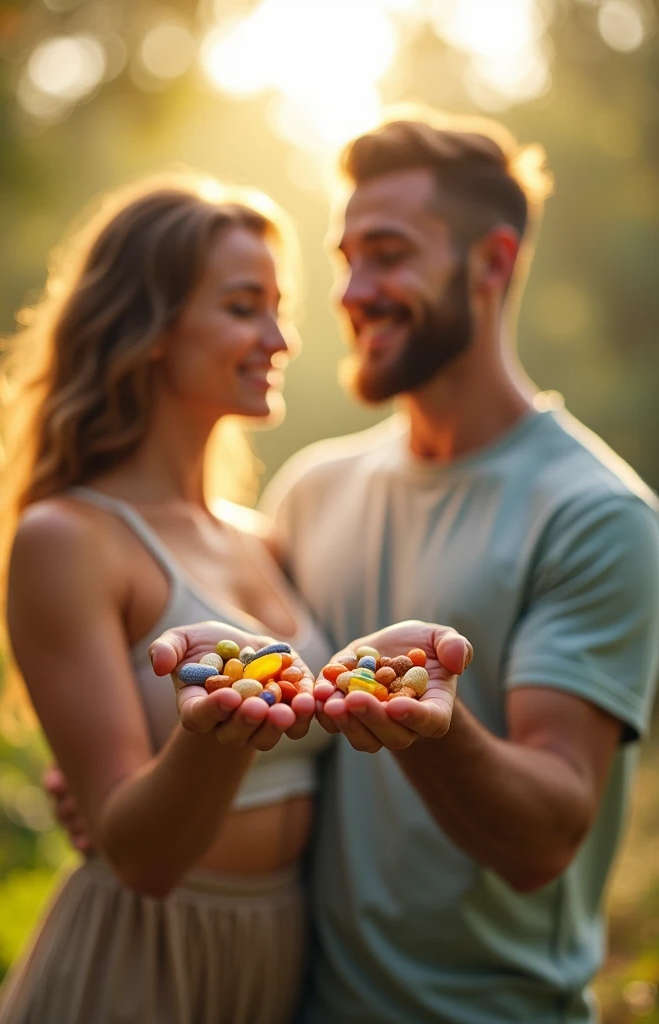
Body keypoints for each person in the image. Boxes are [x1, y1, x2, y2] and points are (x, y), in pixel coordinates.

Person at [144, 111, 659, 1023]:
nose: (353, 291)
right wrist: (129, 773)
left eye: (387, 254)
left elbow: (546, 835)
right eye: (346, 258)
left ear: (491, 262)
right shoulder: (313, 489)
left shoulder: (596, 516)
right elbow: (260, 695)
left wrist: (432, 730)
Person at [0, 169, 471, 1024]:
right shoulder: (68, 539)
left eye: (280, 307)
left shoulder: (262, 535)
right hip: (141, 963)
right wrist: (211, 740)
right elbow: (139, 855)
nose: (280, 337)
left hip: (280, 964)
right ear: (152, 325)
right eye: (245, 307)